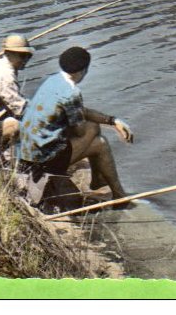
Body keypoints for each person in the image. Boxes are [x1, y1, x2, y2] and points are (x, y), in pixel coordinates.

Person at [18, 46, 134, 202]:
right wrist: (102, 124)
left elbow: (78, 110)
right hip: (43, 160)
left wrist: (112, 121)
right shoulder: (71, 92)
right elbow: (80, 131)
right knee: (99, 141)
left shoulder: (53, 80)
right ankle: (118, 195)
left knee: (94, 130)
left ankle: (102, 184)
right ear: (83, 70)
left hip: (26, 152)